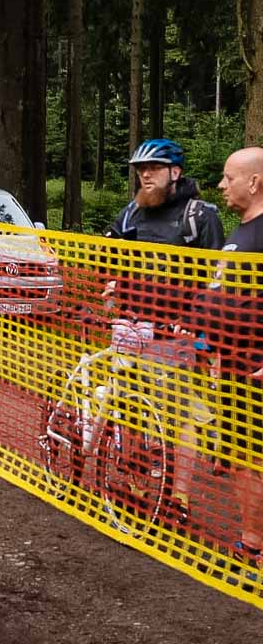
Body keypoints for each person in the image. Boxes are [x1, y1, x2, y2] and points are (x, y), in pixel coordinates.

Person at [103, 138, 225, 524]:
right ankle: (136, 484)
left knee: (181, 416)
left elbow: (216, 281)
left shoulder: (201, 215)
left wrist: (203, 331)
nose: (145, 174)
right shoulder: (131, 213)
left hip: (175, 336)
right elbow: (112, 258)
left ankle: (180, 497)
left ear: (175, 172)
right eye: (140, 168)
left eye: (153, 167)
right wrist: (110, 286)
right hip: (129, 327)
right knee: (128, 407)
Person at [201, 146, 263, 566]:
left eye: (230, 177)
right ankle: (252, 541)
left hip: (256, 368)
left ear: (255, 183)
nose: (222, 185)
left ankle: (253, 544)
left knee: (252, 459)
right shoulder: (240, 230)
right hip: (234, 365)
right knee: (242, 457)